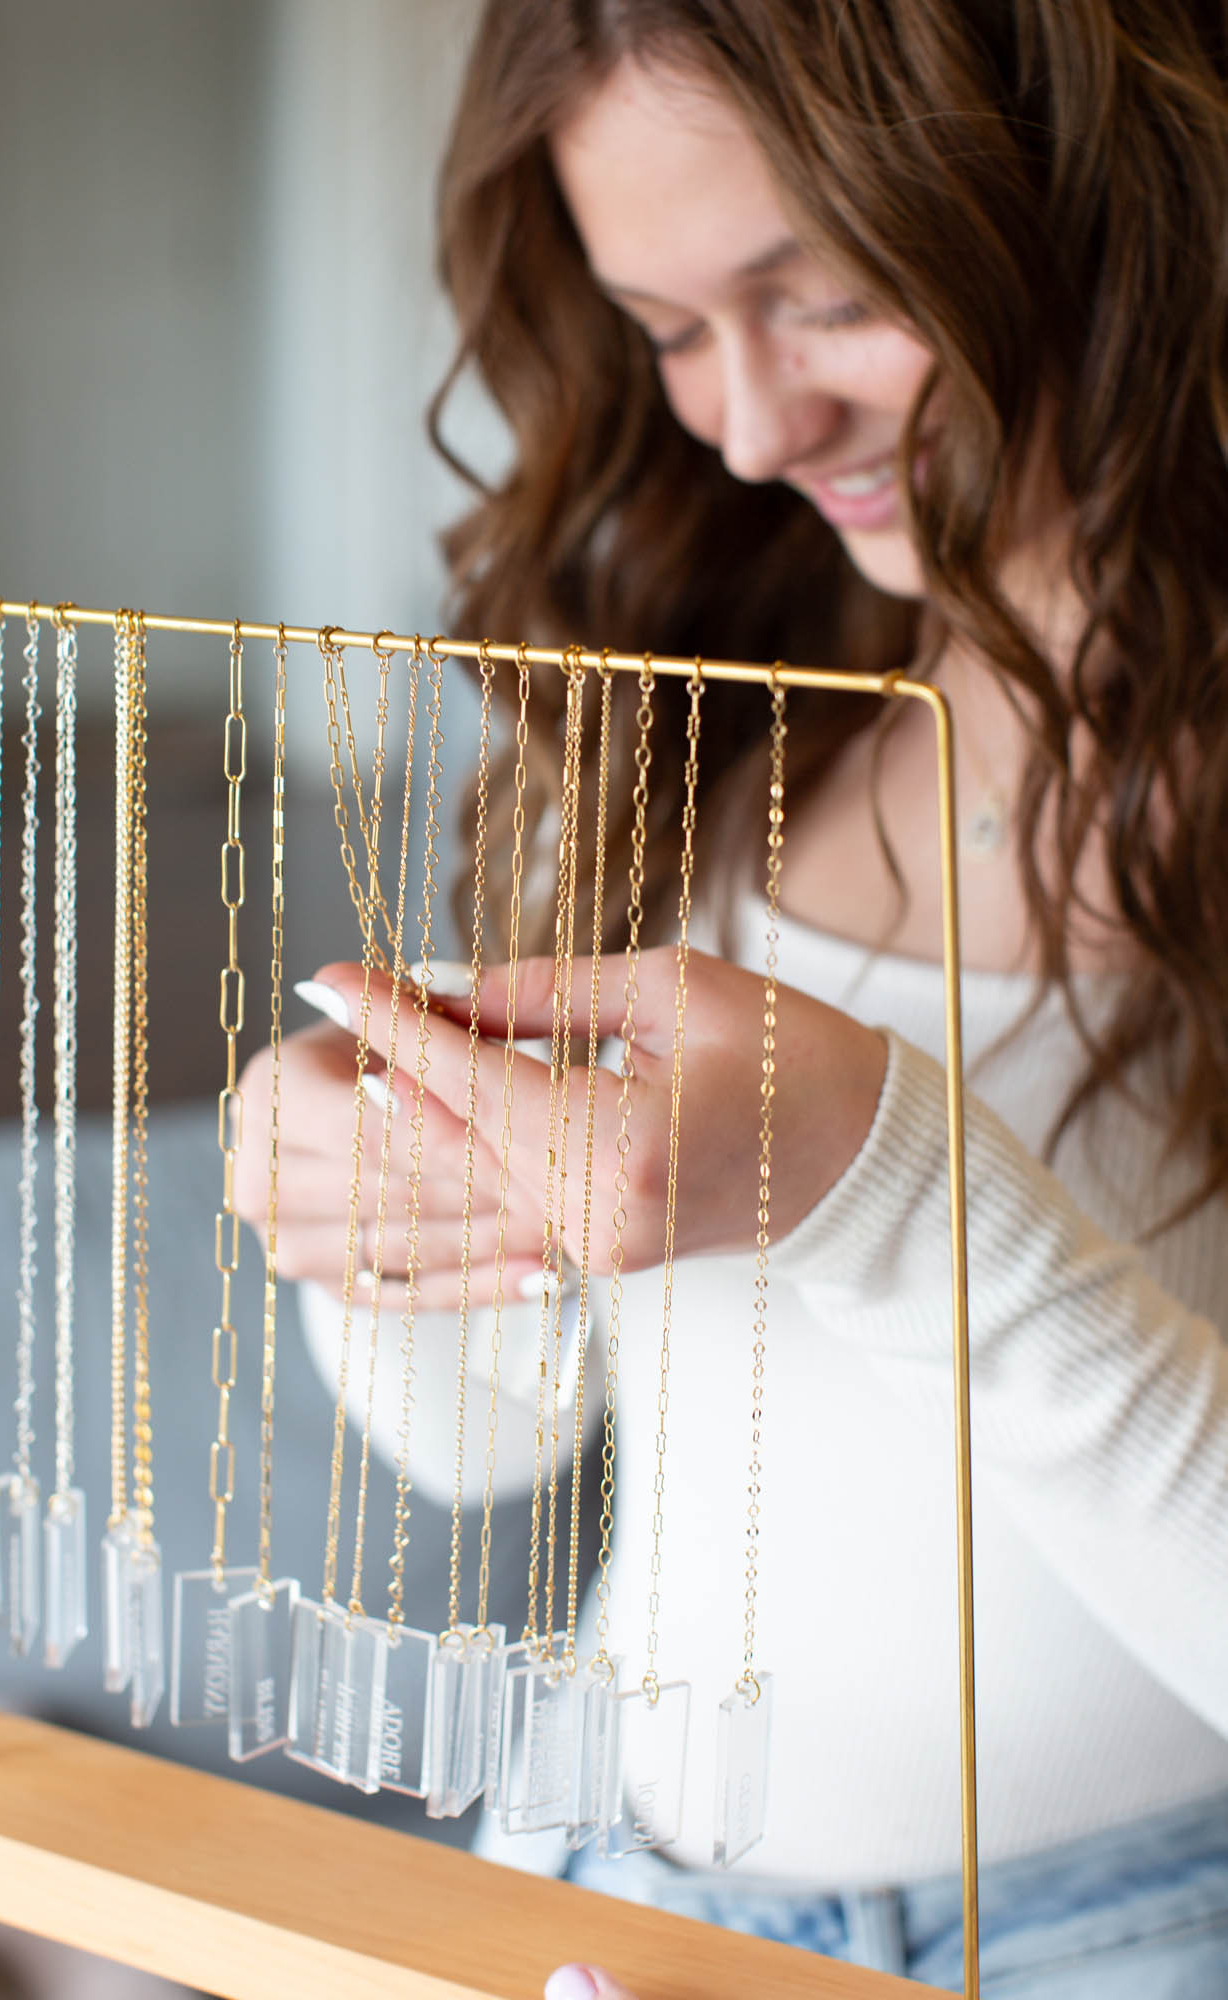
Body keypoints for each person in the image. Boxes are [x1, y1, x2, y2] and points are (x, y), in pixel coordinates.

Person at [237, 2, 1228, 1992]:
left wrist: (884, 1176)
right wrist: (369, 1201)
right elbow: (496, 1444)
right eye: (672, 331)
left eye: (832, 297)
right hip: (584, 1877)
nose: (757, 429)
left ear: (1086, 214)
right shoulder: (727, 706)